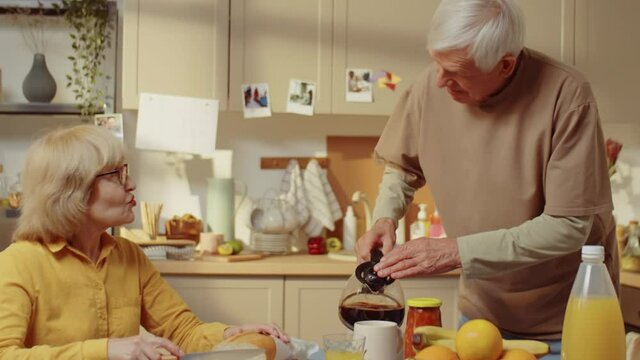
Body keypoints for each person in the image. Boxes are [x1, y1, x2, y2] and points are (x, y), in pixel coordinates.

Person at [356, 0, 615, 359]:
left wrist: (455, 251)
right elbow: (402, 168)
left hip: (565, 323)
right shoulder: (430, 88)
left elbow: (569, 225)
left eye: (456, 71)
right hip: (478, 322)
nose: (438, 80)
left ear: (505, 65)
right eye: (435, 62)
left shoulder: (567, 95)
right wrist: (385, 217)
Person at [0, 125, 289, 359]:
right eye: (116, 175)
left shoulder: (128, 255)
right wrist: (106, 350)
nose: (131, 184)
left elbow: (183, 331)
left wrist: (233, 336)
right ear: (72, 191)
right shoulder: (18, 264)